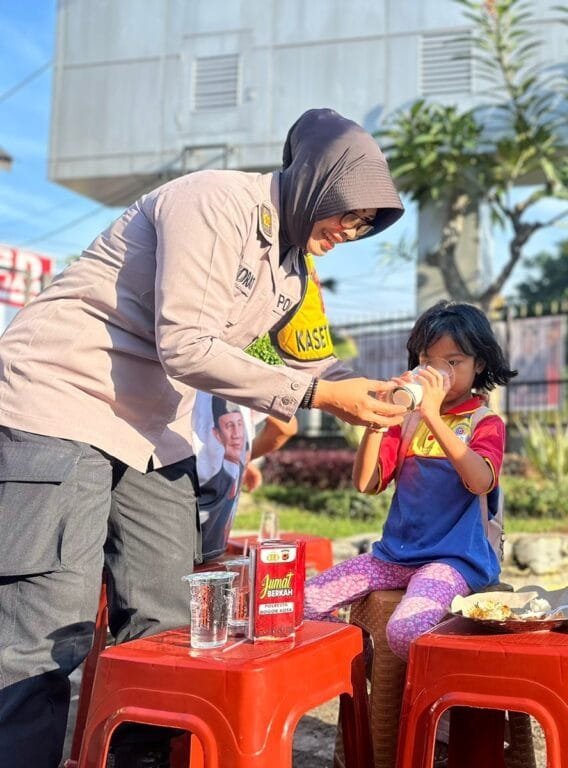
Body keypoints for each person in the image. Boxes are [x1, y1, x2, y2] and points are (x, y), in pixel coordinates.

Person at [0, 107, 409, 768]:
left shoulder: (294, 274)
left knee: (169, 628)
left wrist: (379, 394)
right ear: (315, 180)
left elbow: (317, 366)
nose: (351, 230)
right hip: (62, 400)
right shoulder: (215, 202)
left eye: (364, 223)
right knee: (47, 633)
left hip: (151, 432)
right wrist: (321, 397)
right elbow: (187, 345)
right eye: (349, 211)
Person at [305, 300, 517, 660]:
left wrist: (432, 415)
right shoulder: (406, 421)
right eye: (427, 361)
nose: (438, 373)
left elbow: (480, 482)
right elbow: (366, 484)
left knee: (406, 631)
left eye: (453, 362)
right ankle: (363, 660)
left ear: (479, 364)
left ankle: (433, 692)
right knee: (303, 603)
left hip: (455, 560)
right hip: (393, 557)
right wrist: (377, 421)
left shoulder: (484, 422)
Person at [194, 393, 298, 561]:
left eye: (239, 425)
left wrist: (243, 459)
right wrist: (242, 458)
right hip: (209, 541)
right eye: (229, 426)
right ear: (216, 433)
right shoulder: (246, 382)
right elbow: (285, 426)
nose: (236, 433)